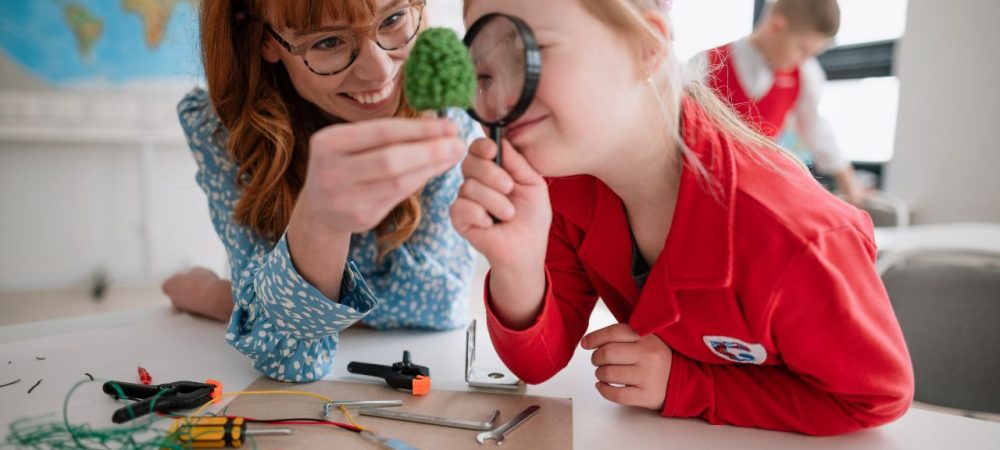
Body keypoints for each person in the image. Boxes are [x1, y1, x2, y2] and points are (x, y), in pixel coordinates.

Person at [452, 0, 913, 435]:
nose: (502, 99)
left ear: (644, 48)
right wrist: (517, 265)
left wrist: (689, 385)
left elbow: (873, 396)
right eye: (485, 75)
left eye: (530, 54)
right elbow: (538, 363)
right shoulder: (562, 185)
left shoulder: (794, 237)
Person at [170, 0, 478, 382]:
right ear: (264, 40)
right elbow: (289, 359)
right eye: (329, 42)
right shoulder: (223, 132)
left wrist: (228, 299)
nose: (379, 70)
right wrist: (321, 223)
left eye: (394, 18)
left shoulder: (449, 110)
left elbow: (441, 304)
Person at [689, 0, 869, 205]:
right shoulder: (705, 64)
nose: (805, 59)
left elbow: (815, 128)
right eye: (802, 49)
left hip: (759, 193)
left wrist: (848, 182)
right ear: (777, 26)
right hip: (706, 188)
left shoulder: (805, 74)